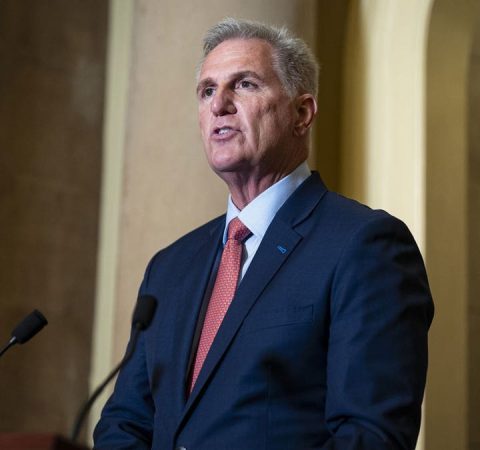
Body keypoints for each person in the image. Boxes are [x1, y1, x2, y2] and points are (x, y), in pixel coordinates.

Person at [93, 18, 434, 450]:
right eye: (207, 90)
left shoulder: (365, 245)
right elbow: (124, 424)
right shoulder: (169, 267)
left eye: (245, 84)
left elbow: (370, 435)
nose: (219, 105)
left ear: (302, 113)